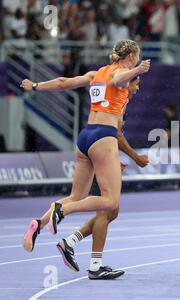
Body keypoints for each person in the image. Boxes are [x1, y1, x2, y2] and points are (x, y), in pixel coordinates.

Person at [21, 39, 151, 278]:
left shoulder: (95, 73)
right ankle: (63, 211)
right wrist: (138, 70)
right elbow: (117, 80)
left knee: (76, 195)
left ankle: (39, 223)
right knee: (110, 203)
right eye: (137, 56)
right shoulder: (121, 72)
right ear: (131, 55)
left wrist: (36, 85)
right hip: (103, 137)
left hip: (86, 137)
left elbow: (63, 83)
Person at [56, 76, 149, 280]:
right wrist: (136, 157)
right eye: (136, 83)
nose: (138, 88)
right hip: (100, 156)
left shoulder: (120, 100)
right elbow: (115, 134)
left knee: (111, 212)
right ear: (127, 83)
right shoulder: (118, 98)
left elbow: (111, 134)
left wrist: (115, 157)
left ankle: (71, 241)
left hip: (104, 154)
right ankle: (95, 266)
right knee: (105, 212)